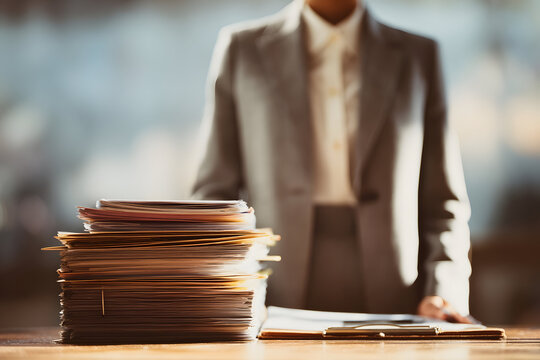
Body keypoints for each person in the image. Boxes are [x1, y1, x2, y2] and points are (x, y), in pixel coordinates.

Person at [192, 0, 472, 323]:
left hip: (400, 302)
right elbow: (213, 200)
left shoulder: (419, 57)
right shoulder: (242, 50)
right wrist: (224, 298)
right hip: (271, 301)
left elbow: (444, 206)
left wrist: (443, 293)